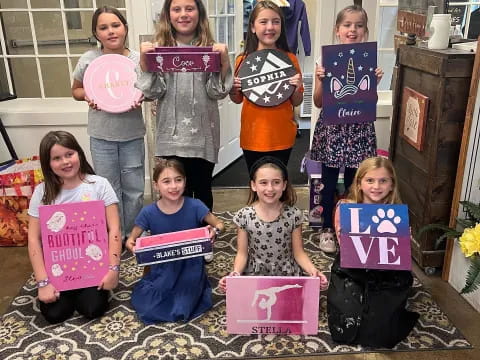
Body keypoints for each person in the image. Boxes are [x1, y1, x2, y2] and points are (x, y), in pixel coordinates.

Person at [135, 0, 232, 211]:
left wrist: (223, 62)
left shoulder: (210, 49)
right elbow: (152, 92)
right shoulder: (159, 50)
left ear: (199, 13)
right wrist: (145, 63)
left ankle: (204, 236)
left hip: (203, 136)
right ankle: (179, 238)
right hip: (171, 137)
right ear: (168, 15)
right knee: (176, 193)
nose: (183, 14)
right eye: (176, 9)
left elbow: (216, 91)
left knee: (202, 189)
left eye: (189, 8)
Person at [310, 5, 384, 254]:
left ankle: (354, 227)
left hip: (359, 129)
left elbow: (369, 102)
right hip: (333, 127)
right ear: (338, 30)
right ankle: (327, 229)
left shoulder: (368, 60)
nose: (353, 30)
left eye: (358, 25)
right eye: (347, 25)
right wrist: (320, 80)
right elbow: (318, 102)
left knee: (356, 182)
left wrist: (376, 83)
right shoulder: (325, 58)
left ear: (365, 30)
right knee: (329, 182)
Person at [27, 131, 121, 324]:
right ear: (48, 163)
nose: (65, 162)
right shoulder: (41, 193)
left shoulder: (99, 185)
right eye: (56, 158)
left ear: (79, 153)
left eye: (69, 154)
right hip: (57, 270)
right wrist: (43, 282)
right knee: (55, 314)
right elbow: (33, 239)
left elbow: (115, 230)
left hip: (93, 268)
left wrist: (113, 269)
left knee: (93, 309)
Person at [328, 156, 419, 348]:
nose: (376, 186)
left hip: (387, 271)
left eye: (383, 181)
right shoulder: (345, 207)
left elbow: (397, 253)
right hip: (351, 268)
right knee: (345, 323)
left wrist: (403, 241)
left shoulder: (395, 211)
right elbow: (345, 246)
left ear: (392, 185)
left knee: (381, 330)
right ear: (359, 183)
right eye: (370, 180)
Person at [71, 6, 145, 242]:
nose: (111, 31)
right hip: (101, 136)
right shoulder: (89, 60)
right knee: (107, 188)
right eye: (103, 27)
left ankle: (133, 234)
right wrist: (87, 96)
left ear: (125, 28)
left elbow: (151, 90)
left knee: (134, 188)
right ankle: (115, 235)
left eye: (116, 25)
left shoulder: (136, 60)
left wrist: (142, 96)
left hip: (132, 134)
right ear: (96, 33)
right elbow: (75, 90)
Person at [125, 158, 224, 324]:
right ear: (156, 185)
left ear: (185, 182)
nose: (173, 186)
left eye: (178, 180)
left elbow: (220, 224)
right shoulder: (148, 212)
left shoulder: (195, 206)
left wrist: (215, 231)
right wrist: (133, 246)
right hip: (163, 267)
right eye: (166, 181)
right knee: (150, 307)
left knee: (183, 307)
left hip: (190, 266)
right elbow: (131, 239)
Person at [219, 156, 328, 291]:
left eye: (276, 182)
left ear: (284, 185)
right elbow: (242, 254)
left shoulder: (293, 215)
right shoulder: (244, 216)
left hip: (287, 274)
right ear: (253, 185)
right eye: (263, 183)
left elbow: (299, 253)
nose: (270, 188)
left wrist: (313, 271)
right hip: (256, 274)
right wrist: (235, 273)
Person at [229, 0, 304, 171]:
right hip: (253, 136)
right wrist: (232, 90)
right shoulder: (242, 61)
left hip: (282, 135)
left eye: (275, 22)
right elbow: (237, 99)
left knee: (279, 185)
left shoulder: (290, 59)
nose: (270, 27)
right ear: (253, 27)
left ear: (281, 27)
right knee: (257, 184)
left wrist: (297, 86)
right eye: (263, 22)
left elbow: (297, 101)